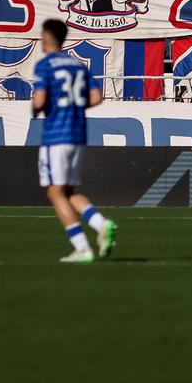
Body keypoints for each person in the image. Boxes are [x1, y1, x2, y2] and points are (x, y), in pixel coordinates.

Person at [32, 18, 117, 263]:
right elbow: (96, 97)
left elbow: (39, 101)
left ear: (45, 38)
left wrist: (39, 106)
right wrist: (74, 106)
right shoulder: (78, 65)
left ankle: (83, 247)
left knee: (54, 192)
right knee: (68, 191)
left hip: (56, 135)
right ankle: (101, 224)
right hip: (78, 134)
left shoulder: (45, 65)